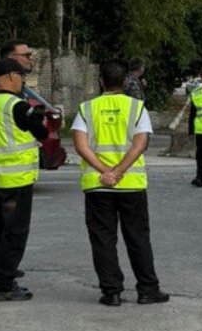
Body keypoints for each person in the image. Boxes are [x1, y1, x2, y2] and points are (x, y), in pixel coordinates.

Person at [72, 61, 169, 306]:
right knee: (137, 238)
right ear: (125, 83)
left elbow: (81, 147)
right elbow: (140, 144)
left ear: (101, 81)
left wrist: (106, 172)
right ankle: (148, 290)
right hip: (131, 184)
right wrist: (119, 172)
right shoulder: (137, 108)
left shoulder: (86, 109)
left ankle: (111, 292)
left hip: (97, 185)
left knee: (103, 239)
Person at [0, 59, 47, 301]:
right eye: (20, 76)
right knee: (15, 233)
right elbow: (42, 133)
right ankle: (4, 285)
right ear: (10, 76)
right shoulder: (16, 106)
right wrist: (40, 119)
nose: (22, 81)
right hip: (18, 180)